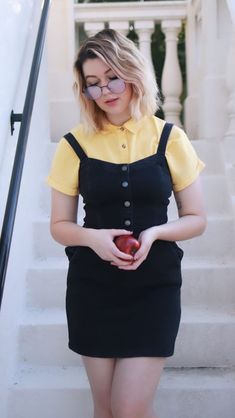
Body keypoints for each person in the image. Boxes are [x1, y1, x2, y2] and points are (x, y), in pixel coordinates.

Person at [47, 29, 207, 418]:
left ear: (132, 73)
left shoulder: (170, 137)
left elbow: (197, 218)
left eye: (113, 77)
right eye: (93, 84)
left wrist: (154, 233)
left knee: (130, 409)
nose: (105, 91)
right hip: (93, 289)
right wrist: (94, 239)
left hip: (154, 287)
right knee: (105, 410)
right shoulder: (74, 144)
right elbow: (59, 226)